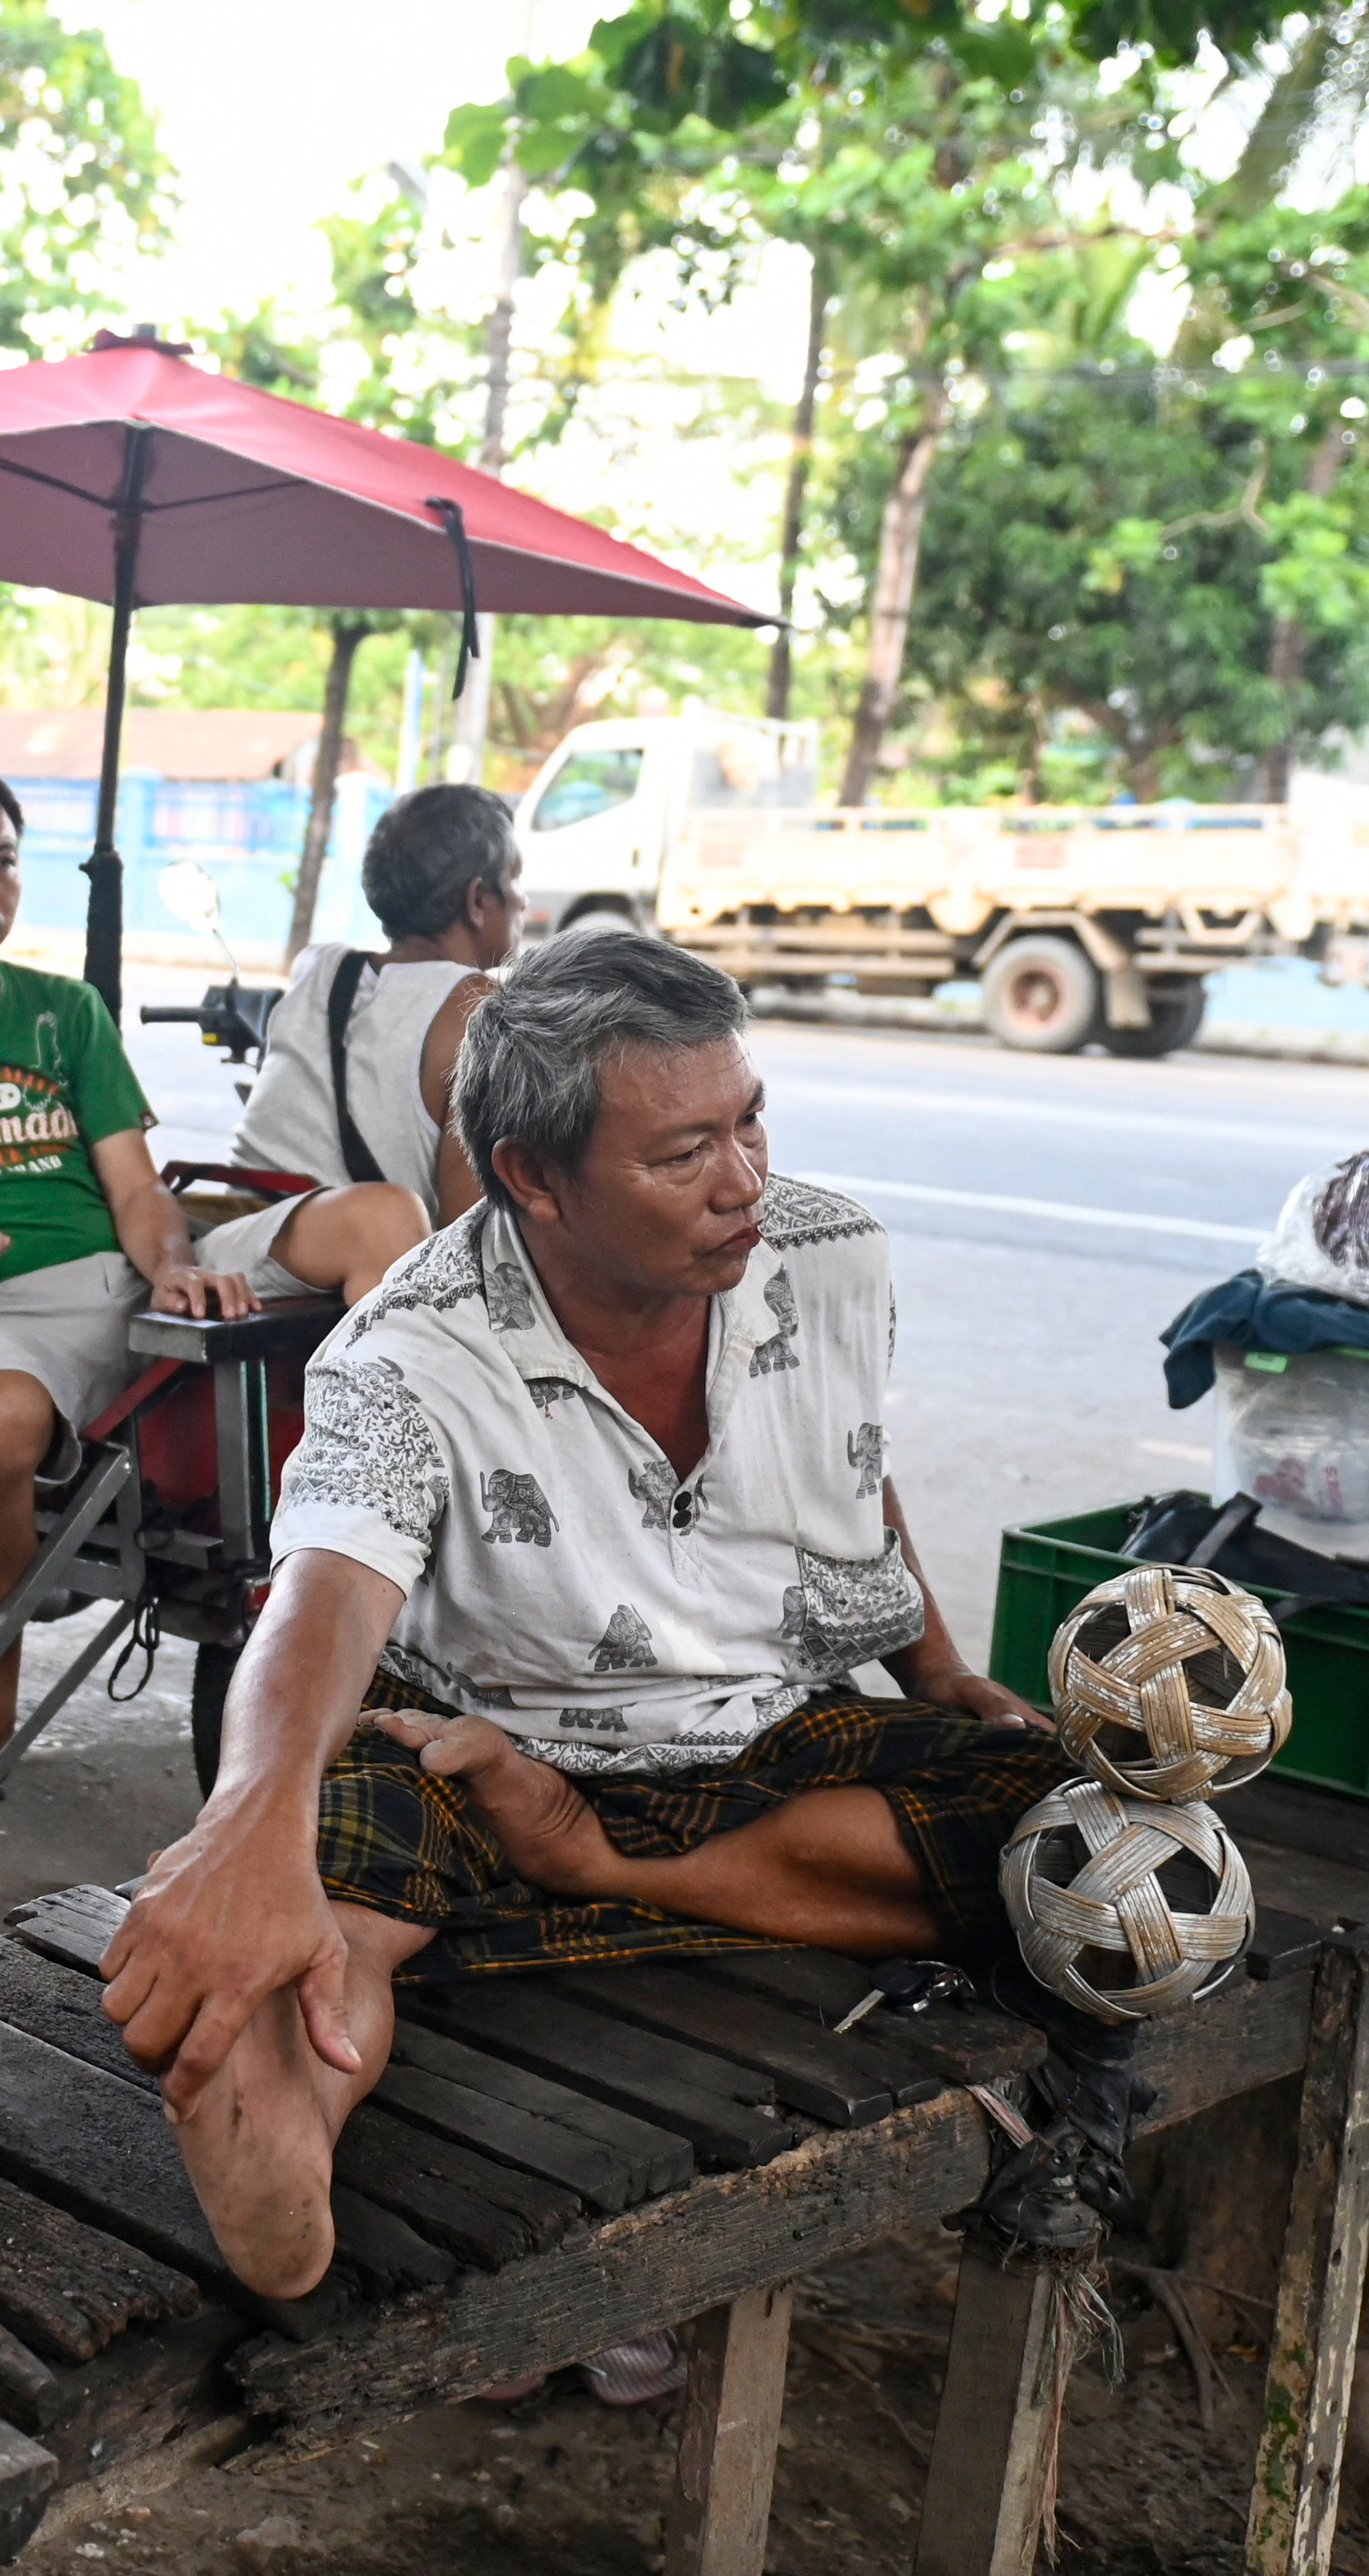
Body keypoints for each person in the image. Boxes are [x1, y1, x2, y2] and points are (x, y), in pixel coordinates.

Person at [93, 930, 1124, 2302]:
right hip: (487, 1739)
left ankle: (592, 1875)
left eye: (747, 1117)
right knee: (335, 1867)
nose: (741, 1179)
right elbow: (323, 1587)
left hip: (766, 1726)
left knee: (1091, 1844)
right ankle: (280, 2106)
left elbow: (846, 1470)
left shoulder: (830, 1253)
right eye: (679, 1150)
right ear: (532, 1176)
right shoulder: (410, 1346)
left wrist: (932, 1665)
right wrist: (248, 1817)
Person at [0, 757, 428, 1781]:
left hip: (135, 1269)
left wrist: (172, 1264)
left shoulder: (63, 1012)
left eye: (3, 863)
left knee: (385, 1215)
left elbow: (133, 1188)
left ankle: (379, 1518)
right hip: (4, 1308)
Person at [232, 780, 521, 1221]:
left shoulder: (318, 966)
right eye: (515, 878)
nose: (522, 900)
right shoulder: (477, 1009)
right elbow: (468, 1232)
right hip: (330, 1275)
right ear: (478, 900)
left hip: (228, 1232)